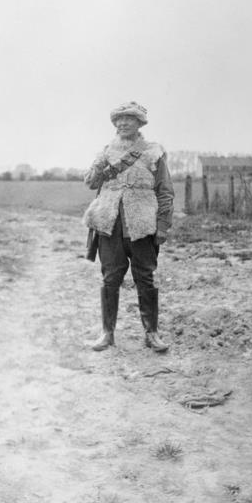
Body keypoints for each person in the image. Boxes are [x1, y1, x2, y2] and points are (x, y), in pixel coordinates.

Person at [83, 101, 174, 353]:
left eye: (129, 119)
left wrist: (163, 226)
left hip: (143, 224)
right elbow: (90, 183)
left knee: (145, 278)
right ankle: (107, 333)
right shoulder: (107, 151)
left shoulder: (153, 152)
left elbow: (165, 191)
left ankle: (152, 333)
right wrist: (99, 166)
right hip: (108, 224)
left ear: (139, 123)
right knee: (110, 278)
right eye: (119, 120)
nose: (123, 123)